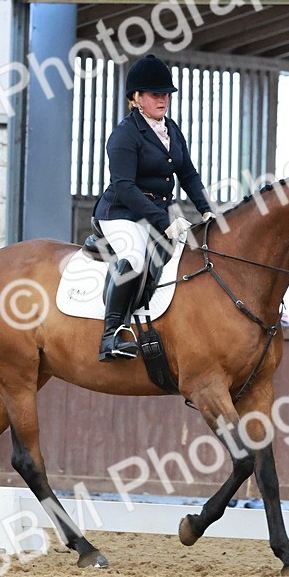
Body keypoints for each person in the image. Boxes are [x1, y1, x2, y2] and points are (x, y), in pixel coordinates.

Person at [93, 54, 216, 361]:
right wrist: (164, 221)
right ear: (136, 98)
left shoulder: (171, 130)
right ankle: (111, 336)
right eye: (155, 94)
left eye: (166, 94)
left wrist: (207, 209)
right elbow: (125, 186)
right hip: (122, 212)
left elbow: (187, 174)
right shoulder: (124, 134)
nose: (163, 99)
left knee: (191, 255)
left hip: (160, 212)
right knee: (134, 258)